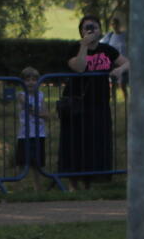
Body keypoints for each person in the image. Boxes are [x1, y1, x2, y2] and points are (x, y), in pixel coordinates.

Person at [59, 16, 125, 181]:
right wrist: (84, 46)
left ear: (100, 30)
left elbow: (127, 62)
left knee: (98, 141)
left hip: (100, 103)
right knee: (77, 142)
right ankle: (74, 178)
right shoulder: (74, 48)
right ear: (81, 31)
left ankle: (97, 178)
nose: (90, 31)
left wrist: (120, 70)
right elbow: (80, 68)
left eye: (94, 27)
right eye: (86, 28)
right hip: (77, 104)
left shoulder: (107, 50)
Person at [15, 67, 47, 175]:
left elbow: (46, 114)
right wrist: (34, 111)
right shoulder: (21, 95)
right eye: (27, 80)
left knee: (37, 163)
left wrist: (36, 113)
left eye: (34, 79)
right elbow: (27, 105)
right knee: (22, 162)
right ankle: (19, 186)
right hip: (25, 134)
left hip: (39, 134)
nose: (31, 82)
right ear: (22, 82)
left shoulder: (41, 95)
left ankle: (37, 187)